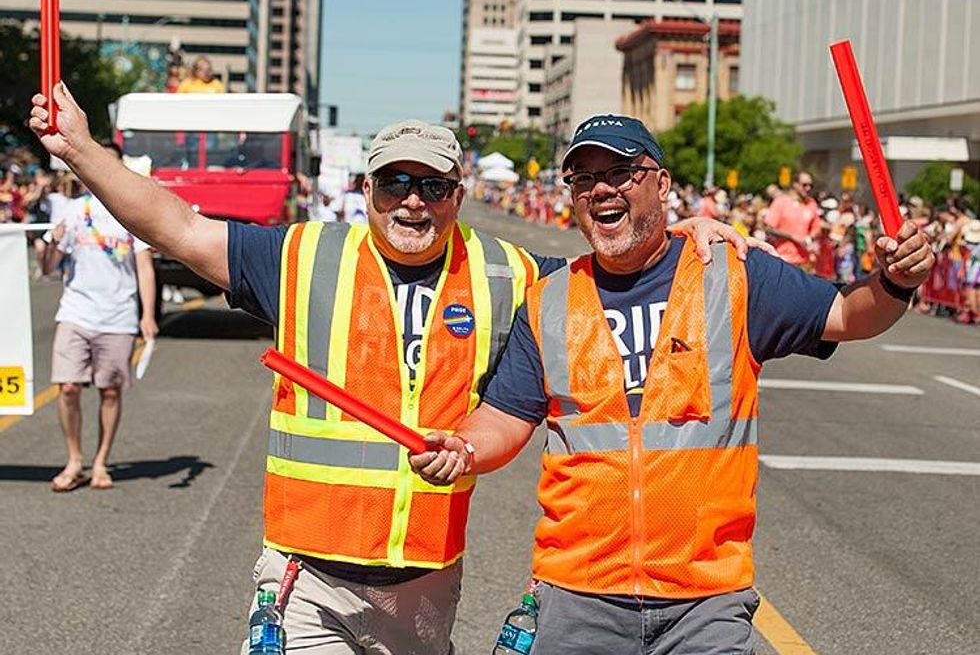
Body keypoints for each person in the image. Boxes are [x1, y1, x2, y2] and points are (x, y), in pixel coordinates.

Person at [30, 88, 757, 653]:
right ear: (368, 188)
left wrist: (679, 230)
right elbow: (176, 227)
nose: (413, 199)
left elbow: (616, 267)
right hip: (307, 577)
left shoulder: (512, 274)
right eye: (394, 182)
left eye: (432, 186)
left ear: (458, 196)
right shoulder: (303, 258)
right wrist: (82, 149)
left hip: (426, 587)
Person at [410, 115, 934, 655]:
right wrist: (465, 447)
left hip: (705, 602)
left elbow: (848, 315)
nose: (601, 189)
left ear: (661, 185)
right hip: (577, 594)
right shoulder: (550, 298)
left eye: (620, 172)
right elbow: (504, 415)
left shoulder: (731, 273)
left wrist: (896, 280)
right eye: (583, 179)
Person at [43, 142, 158, 492]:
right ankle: (74, 459)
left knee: (109, 392)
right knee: (68, 388)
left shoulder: (131, 211)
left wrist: (147, 315)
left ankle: (101, 461)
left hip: (118, 315)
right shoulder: (74, 211)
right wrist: (51, 243)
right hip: (76, 311)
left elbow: (144, 267)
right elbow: (48, 268)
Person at [765, 170, 821, 271]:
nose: (808, 188)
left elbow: (816, 228)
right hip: (783, 258)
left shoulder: (811, 204)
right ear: (795, 184)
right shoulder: (781, 201)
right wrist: (792, 237)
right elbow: (768, 229)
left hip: (804, 261)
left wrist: (810, 239)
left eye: (810, 185)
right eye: (804, 185)